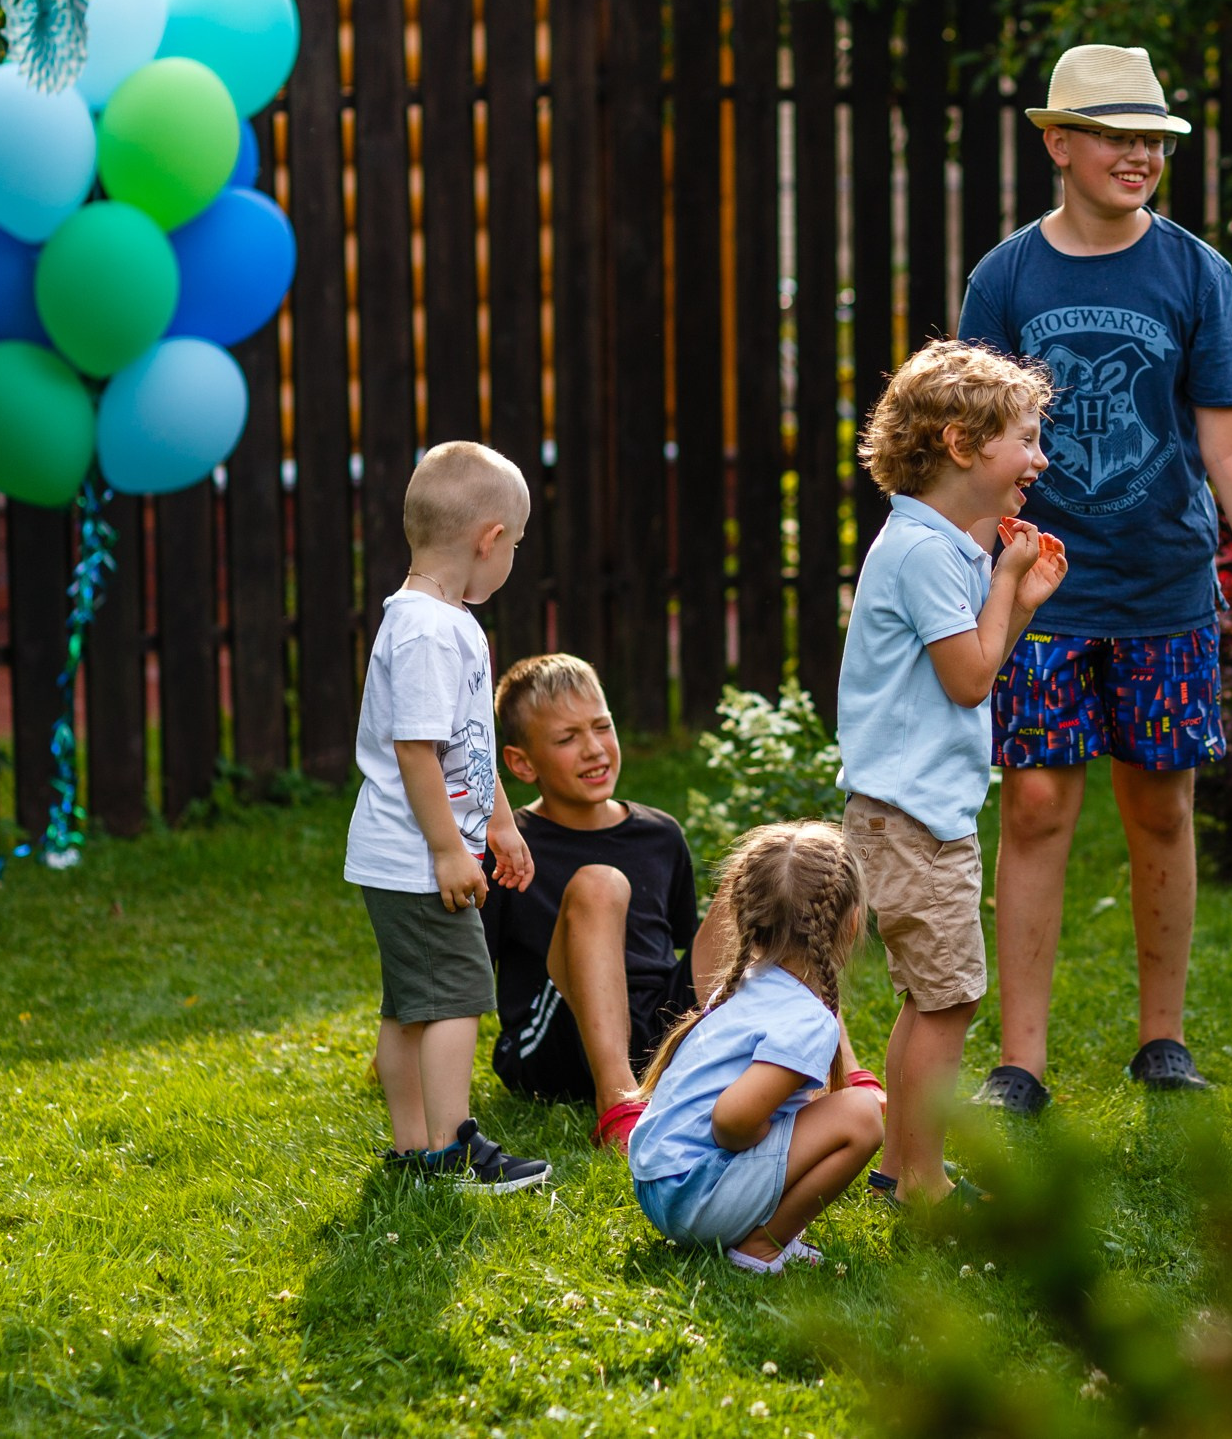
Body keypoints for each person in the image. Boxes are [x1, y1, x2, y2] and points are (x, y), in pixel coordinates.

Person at [957, 42, 1232, 1113]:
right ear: (1059, 144)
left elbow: (1228, 441)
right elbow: (972, 443)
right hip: (1039, 590)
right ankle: (1020, 1062)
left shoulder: (1192, 271)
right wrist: (982, 569)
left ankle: (1160, 1039)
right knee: (1034, 805)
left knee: (1160, 809)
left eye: (1154, 141)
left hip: (1165, 589)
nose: (1138, 156)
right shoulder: (1007, 276)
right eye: (1116, 137)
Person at [483, 653, 885, 1154]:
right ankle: (617, 1105)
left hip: (659, 1028)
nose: (593, 749)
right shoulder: (506, 843)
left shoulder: (658, 834)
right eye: (567, 739)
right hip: (556, 1039)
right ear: (522, 763)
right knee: (599, 884)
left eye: (602, 727)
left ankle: (844, 1071)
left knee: (761, 879)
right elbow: (466, 966)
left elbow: (686, 949)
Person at [839, 338, 1067, 1203]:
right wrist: (1009, 575)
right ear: (963, 445)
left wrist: (1016, 592)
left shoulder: (935, 543)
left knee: (928, 999)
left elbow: (973, 668)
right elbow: (972, 678)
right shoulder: (930, 552)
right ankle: (921, 1181)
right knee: (947, 1002)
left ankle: (902, 1167)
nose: (1038, 459)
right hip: (916, 820)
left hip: (908, 812)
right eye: (1026, 439)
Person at [343, 440, 551, 1193]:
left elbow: (467, 742)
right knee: (460, 994)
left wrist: (496, 820)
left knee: (409, 1006)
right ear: (488, 539)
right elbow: (417, 753)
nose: (513, 558)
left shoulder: (439, 618)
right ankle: (451, 1145)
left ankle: (413, 1150)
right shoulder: (431, 630)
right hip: (414, 856)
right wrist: (447, 850)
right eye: (517, 545)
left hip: (402, 853)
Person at [628, 822, 885, 1273]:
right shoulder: (807, 1019)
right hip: (693, 1195)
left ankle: (751, 1223)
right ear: (853, 922)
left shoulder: (747, 983)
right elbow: (733, 1119)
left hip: (660, 1181)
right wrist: (765, 1144)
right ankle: (762, 1246)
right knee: (861, 1116)